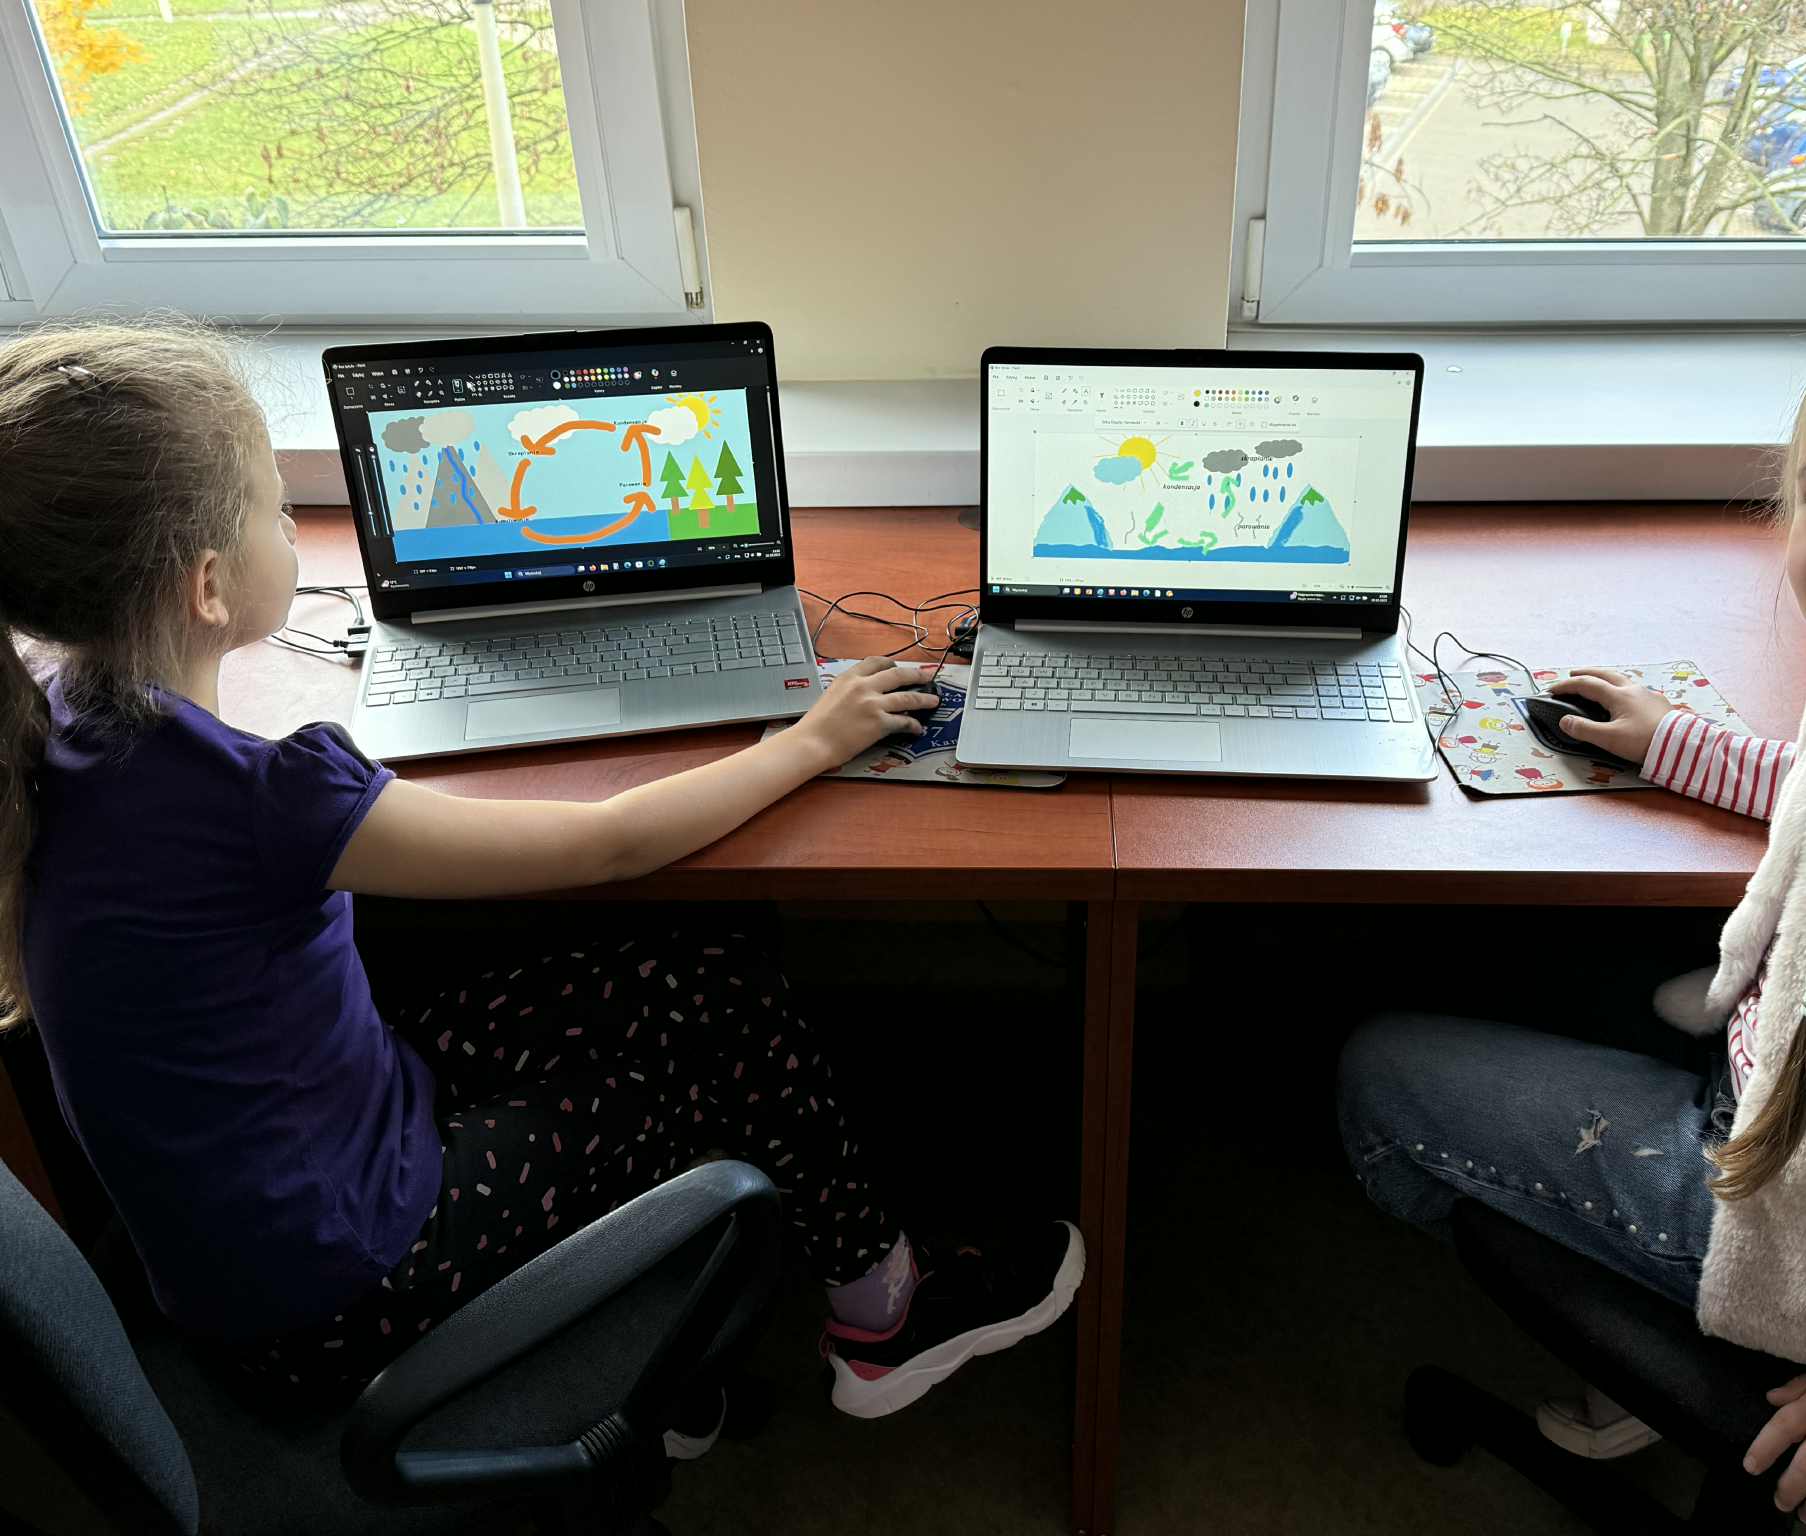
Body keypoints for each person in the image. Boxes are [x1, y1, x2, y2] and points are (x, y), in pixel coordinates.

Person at [0, 323, 1083, 1439]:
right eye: (277, 509)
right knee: (723, 1037)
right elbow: (609, 844)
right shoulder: (265, 798)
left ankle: (670, 1361)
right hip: (349, 1285)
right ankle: (879, 1323)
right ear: (208, 586)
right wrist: (811, 740)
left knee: (689, 975)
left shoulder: (53, 713)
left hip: (276, 1211)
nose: (293, 529)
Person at [1338, 276, 1806, 1532]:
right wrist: (1675, 744)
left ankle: (1673, 1321)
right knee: (1453, 946)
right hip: (1790, 1086)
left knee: (1376, 1068)